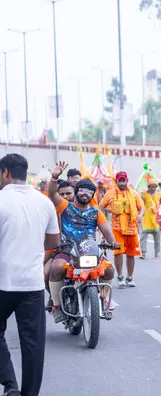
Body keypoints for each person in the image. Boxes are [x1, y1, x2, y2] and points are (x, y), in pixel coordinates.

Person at [0, 153, 60, 396]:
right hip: (32, 286)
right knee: (33, 346)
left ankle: (10, 385)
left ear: (5, 173)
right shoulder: (44, 202)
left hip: (2, 282)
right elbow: (53, 242)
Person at [45, 161, 118, 322]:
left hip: (90, 250)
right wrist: (55, 176)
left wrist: (113, 242)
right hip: (67, 250)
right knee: (56, 268)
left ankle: (104, 301)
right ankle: (56, 306)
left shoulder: (96, 212)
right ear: (76, 191)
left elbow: (106, 230)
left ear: (92, 195)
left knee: (110, 269)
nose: (86, 194)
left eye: (90, 192)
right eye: (83, 191)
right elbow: (51, 193)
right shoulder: (65, 206)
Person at [99, 171, 144, 288]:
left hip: (132, 229)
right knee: (118, 253)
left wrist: (140, 215)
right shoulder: (110, 194)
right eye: (120, 180)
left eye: (124, 180)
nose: (122, 182)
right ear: (116, 181)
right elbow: (100, 207)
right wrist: (102, 221)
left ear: (127, 181)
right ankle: (120, 277)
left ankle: (129, 277)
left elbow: (142, 207)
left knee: (131, 254)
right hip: (117, 229)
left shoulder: (134, 194)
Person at [140, 179, 161, 259]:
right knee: (143, 236)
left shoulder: (158, 195)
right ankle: (143, 252)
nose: (153, 188)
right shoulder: (145, 195)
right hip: (146, 218)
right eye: (151, 187)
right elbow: (140, 199)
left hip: (155, 218)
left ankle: (157, 253)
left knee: (157, 236)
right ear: (148, 187)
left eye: (154, 187)